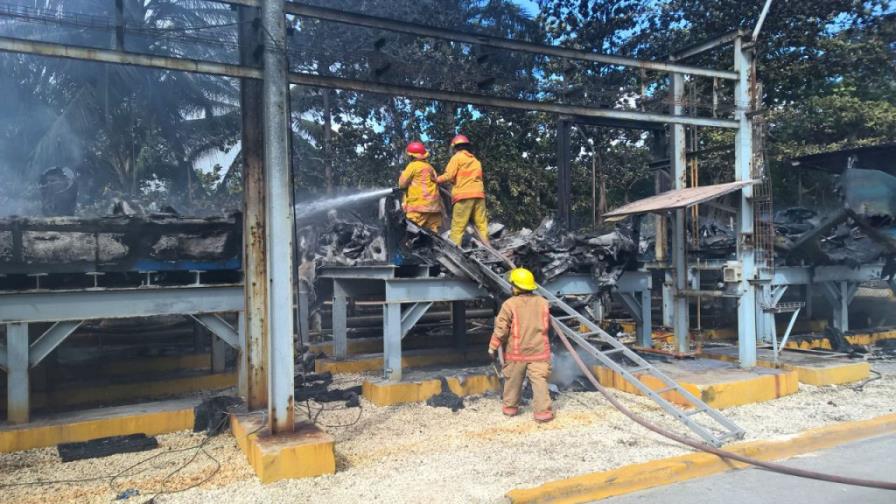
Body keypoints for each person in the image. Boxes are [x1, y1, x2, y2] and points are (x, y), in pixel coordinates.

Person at [488, 267, 554, 422]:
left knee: (513, 381)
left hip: (517, 353)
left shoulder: (509, 304)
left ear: (516, 287)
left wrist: (493, 347)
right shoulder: (544, 303)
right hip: (540, 352)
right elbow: (548, 327)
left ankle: (510, 408)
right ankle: (543, 413)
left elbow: (501, 329)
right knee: (539, 382)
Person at [437, 134, 490, 246]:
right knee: (481, 224)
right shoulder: (475, 160)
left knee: (458, 226)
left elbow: (449, 176)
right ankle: (485, 249)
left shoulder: (457, 158)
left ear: (454, 147)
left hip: (463, 196)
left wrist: (435, 180)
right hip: (479, 196)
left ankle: (453, 251)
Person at [397, 140, 442, 232]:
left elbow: (402, 184)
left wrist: (402, 174)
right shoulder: (430, 167)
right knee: (434, 236)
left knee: (412, 232)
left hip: (418, 208)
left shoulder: (412, 166)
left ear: (411, 155)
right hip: (434, 207)